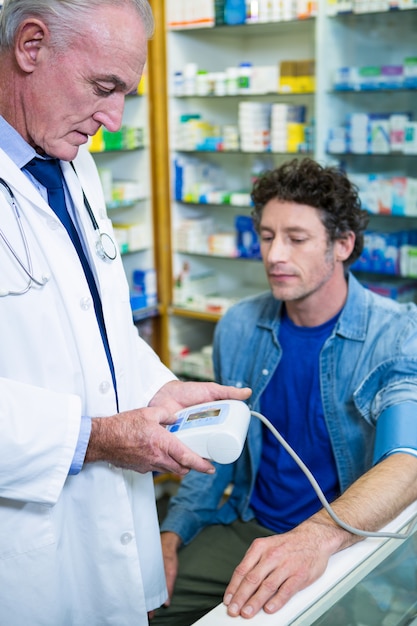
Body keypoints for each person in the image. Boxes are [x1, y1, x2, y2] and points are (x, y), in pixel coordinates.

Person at [0, 1, 251, 624]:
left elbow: (100, 325)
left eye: (124, 93)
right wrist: (96, 438)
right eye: (103, 87)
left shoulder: (75, 163)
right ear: (31, 46)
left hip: (102, 530)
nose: (112, 119)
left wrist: (160, 386)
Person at [154, 157, 417, 625]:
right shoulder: (239, 325)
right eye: (268, 236)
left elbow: (407, 462)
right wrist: (171, 535)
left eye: (296, 239)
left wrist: (314, 539)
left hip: (344, 539)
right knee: (153, 607)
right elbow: (212, 456)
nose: (275, 255)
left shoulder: (396, 334)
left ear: (342, 245)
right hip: (249, 529)